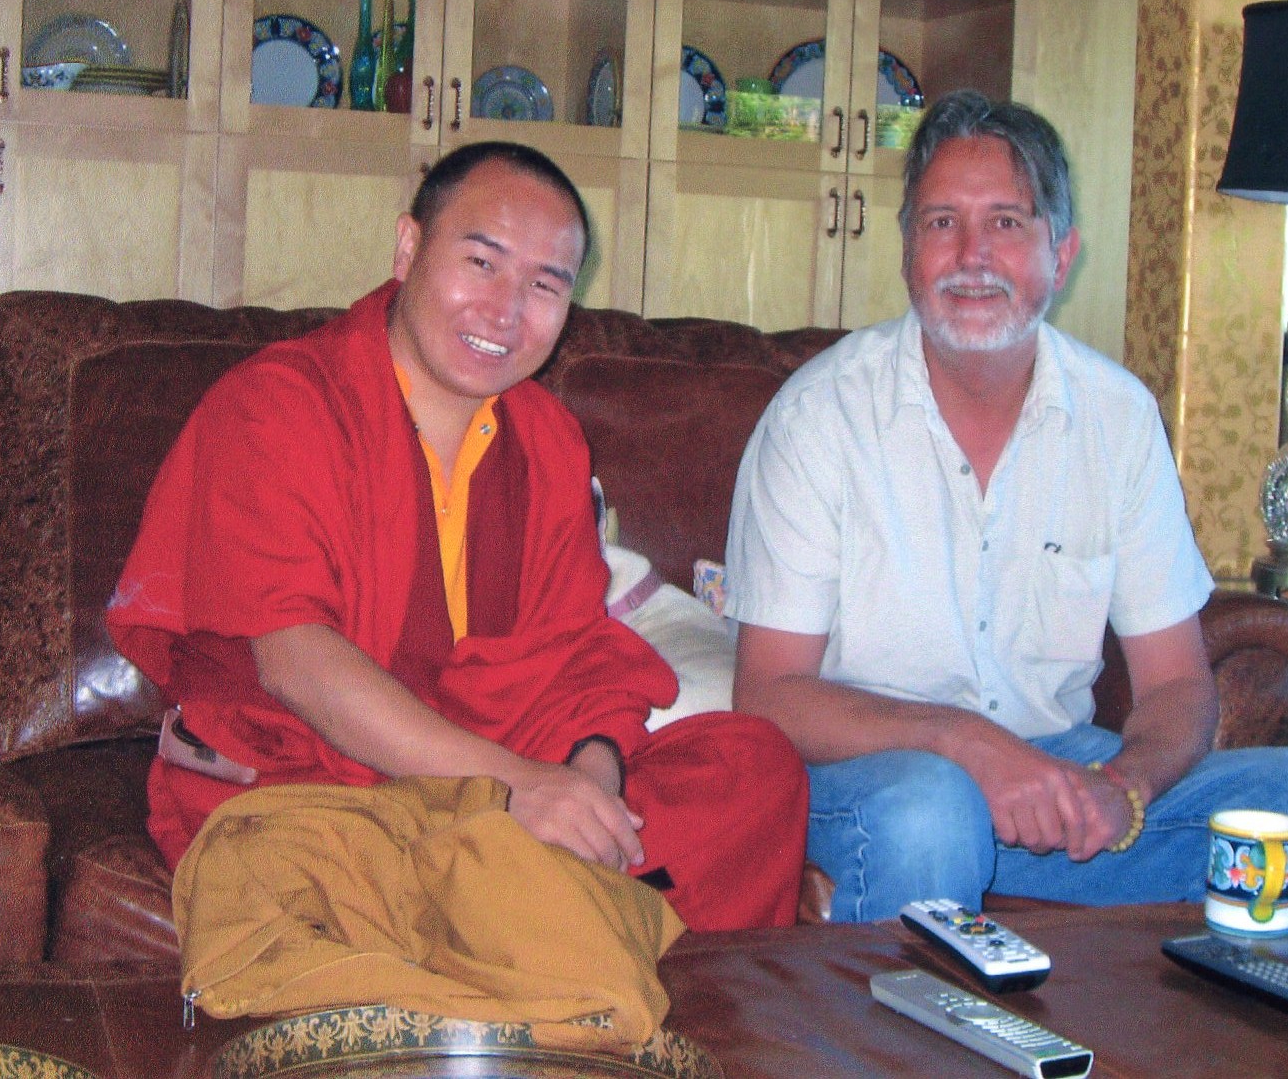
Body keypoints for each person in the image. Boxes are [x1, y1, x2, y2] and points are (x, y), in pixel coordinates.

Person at [108, 141, 808, 933]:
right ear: (409, 248)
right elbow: (296, 662)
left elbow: (576, 654)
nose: (507, 312)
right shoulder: (279, 406)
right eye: (482, 263)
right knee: (318, 863)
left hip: (490, 787)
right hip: (317, 789)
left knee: (754, 770)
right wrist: (518, 786)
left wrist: (589, 781)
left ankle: (529, 907)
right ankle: (548, 917)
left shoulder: (547, 438)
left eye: (546, 285)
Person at [724, 90, 1288, 922]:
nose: (971, 255)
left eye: (1007, 223)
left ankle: (1165, 1016)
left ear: (1061, 258)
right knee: (932, 814)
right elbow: (770, 692)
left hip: (1064, 770)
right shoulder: (819, 418)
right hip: (874, 773)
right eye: (941, 222)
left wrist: (1123, 791)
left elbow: (1175, 683)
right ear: (909, 252)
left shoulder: (1118, 416)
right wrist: (968, 746)